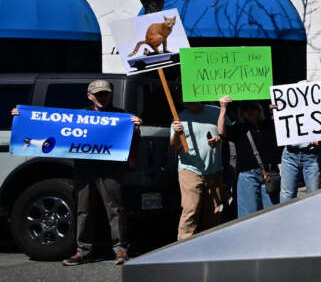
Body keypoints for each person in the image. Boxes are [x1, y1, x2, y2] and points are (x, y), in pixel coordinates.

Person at [13, 79, 142, 265]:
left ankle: (120, 250)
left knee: (115, 208)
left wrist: (136, 128)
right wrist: (22, 117)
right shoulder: (80, 116)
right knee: (83, 210)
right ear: (89, 96)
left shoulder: (121, 116)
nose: (103, 98)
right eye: (98, 95)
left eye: (105, 94)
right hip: (85, 167)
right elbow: (51, 127)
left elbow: (132, 142)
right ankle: (83, 250)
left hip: (110, 169)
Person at [218, 97, 280, 217]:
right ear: (241, 113)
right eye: (245, 109)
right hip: (248, 176)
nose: (249, 111)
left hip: (269, 174)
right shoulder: (239, 127)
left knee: (272, 214)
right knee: (248, 215)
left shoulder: (268, 124)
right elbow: (222, 132)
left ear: (259, 109)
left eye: (253, 108)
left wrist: (276, 110)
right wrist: (223, 109)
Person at [172, 100, 224, 240]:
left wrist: (219, 139)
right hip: (190, 169)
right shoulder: (179, 118)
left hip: (213, 169)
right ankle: (184, 246)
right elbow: (175, 146)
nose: (187, 101)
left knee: (214, 211)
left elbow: (225, 134)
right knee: (191, 210)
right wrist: (176, 133)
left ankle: (210, 244)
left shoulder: (216, 111)